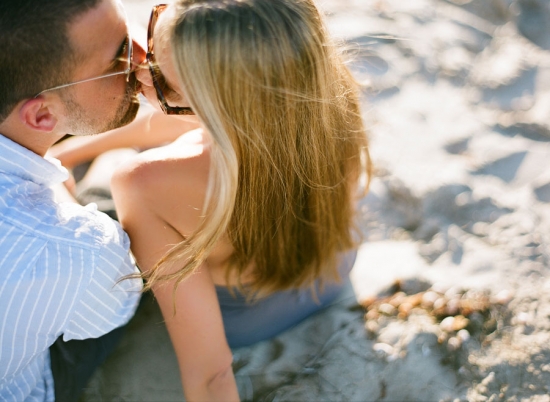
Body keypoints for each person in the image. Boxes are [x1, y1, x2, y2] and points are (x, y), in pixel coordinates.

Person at [52, 0, 371, 400]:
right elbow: (189, 122)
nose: (142, 75)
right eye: (152, 39)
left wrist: (60, 164)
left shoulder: (144, 183)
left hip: (246, 318)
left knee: (110, 172)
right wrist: (67, 153)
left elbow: (211, 373)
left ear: (217, 107)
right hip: (332, 269)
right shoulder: (321, 89)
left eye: (165, 86)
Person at [0, 0, 146, 401]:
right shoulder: (79, 245)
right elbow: (110, 313)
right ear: (42, 116)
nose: (143, 55)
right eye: (120, 57)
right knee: (123, 169)